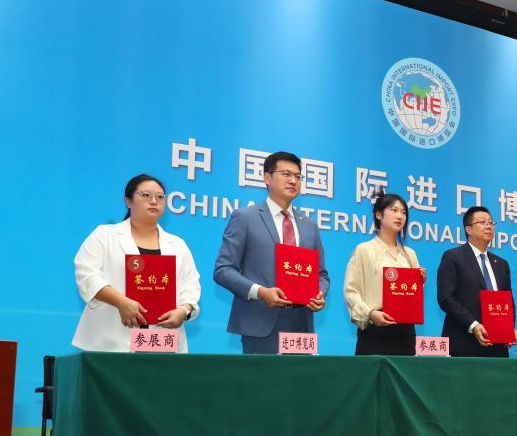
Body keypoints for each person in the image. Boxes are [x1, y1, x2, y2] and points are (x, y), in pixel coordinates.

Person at [214, 151, 329, 354]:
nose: (293, 181)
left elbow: (321, 275)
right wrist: (260, 292)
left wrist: (319, 293)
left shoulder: (309, 225)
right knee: (263, 377)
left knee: (301, 376)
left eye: (298, 176)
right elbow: (223, 270)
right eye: (286, 174)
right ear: (267, 178)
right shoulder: (245, 217)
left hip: (301, 324)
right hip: (260, 322)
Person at [72, 175, 201, 352]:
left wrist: (184, 310)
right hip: (111, 341)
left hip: (162, 341)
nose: (154, 201)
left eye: (160, 197)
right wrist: (121, 302)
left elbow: (191, 285)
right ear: (128, 201)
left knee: (161, 370)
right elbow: (87, 275)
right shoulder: (104, 235)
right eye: (146, 195)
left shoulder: (178, 245)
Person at [343, 192, 426, 355]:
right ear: (378, 214)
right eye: (394, 210)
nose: (400, 216)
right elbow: (351, 291)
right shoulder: (364, 250)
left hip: (405, 333)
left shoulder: (410, 254)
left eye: (403, 212)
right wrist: (370, 314)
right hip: (374, 331)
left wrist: (419, 281)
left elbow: (411, 295)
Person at [436, 206, 513, 357]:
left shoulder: (501, 264)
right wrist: (474, 325)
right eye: (483, 222)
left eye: (491, 223)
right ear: (468, 229)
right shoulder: (453, 257)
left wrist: (509, 328)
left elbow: (508, 301)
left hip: (497, 346)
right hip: (464, 344)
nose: (488, 226)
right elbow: (446, 298)